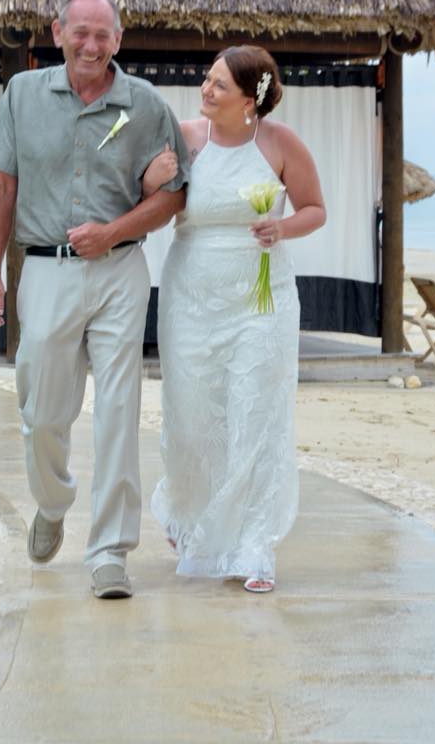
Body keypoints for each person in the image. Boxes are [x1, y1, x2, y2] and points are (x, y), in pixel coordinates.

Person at [0, 0, 189, 599]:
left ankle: (110, 552)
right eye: (81, 33)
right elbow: (1, 185)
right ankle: (52, 502)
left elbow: (173, 194)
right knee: (41, 411)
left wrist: (114, 232)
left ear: (118, 40)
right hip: (45, 270)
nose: (91, 46)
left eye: (103, 35)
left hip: (121, 270)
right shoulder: (22, 94)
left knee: (119, 408)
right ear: (58, 32)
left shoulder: (146, 105)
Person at [144, 45, 326, 593]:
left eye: (219, 84)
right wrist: (152, 178)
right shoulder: (185, 138)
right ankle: (190, 514)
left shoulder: (280, 143)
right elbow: (150, 200)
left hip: (261, 300)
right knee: (191, 414)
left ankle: (253, 544)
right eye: (207, 78)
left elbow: (315, 209)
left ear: (251, 99)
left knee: (255, 414)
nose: (206, 89)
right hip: (191, 297)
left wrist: (282, 228)